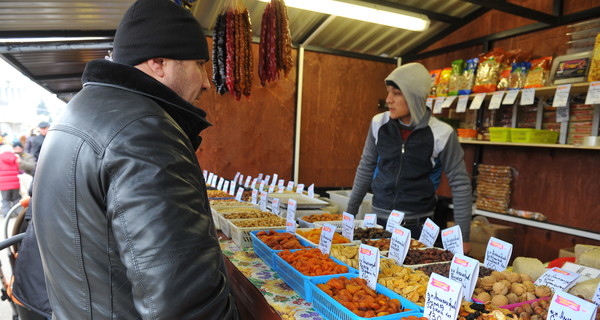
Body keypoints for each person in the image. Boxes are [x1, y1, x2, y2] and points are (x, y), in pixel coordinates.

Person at [31, 0, 238, 319]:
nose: (207, 81)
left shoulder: (76, 112)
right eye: (199, 63)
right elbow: (185, 305)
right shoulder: (145, 133)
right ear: (159, 62)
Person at [347, 63, 473, 253]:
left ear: (414, 97)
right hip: (378, 222)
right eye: (388, 92)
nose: (388, 99)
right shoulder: (378, 123)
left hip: (418, 226)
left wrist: (463, 236)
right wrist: (349, 214)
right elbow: (366, 167)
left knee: (409, 281)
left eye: (396, 93)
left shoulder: (442, 133)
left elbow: (460, 184)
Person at [0, 144, 21, 216]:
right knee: (16, 199)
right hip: (15, 183)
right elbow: (18, 169)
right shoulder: (15, 157)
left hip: (3, 184)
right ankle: (19, 212)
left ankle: (7, 214)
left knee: (5, 200)